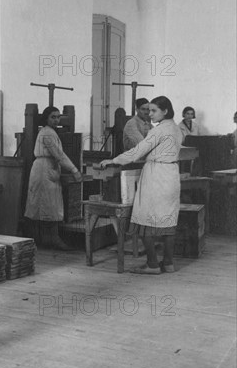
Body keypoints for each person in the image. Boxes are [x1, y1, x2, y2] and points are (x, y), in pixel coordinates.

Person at [100, 96, 183, 274]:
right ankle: (168, 263)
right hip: (172, 175)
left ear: (165, 111)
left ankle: (152, 264)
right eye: (148, 110)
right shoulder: (176, 129)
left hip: (156, 176)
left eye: (154, 111)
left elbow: (137, 151)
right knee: (168, 219)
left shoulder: (158, 131)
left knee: (144, 216)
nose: (150, 114)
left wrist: (113, 160)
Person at [24, 106, 82, 250]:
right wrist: (74, 170)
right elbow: (59, 155)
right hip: (43, 170)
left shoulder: (50, 132)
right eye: (53, 117)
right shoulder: (47, 133)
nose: (56, 120)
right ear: (46, 118)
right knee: (45, 205)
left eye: (58, 117)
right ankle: (45, 239)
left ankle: (47, 239)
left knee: (49, 205)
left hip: (48, 168)